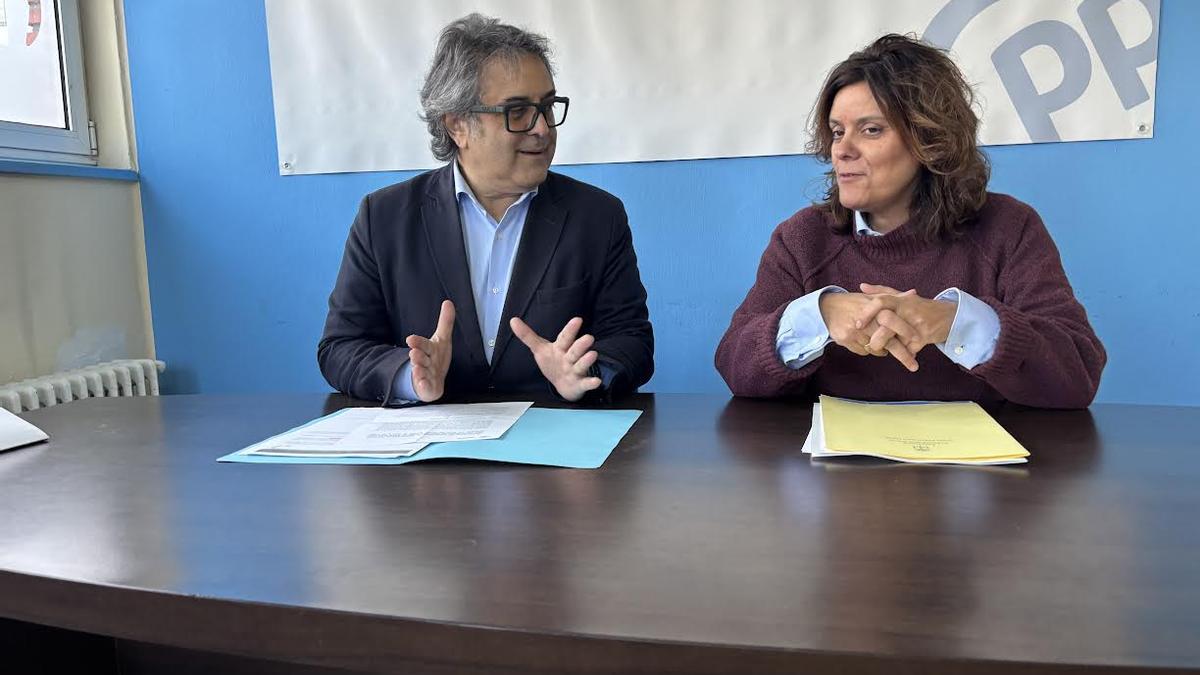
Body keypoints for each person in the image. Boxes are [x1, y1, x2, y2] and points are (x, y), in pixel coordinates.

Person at [715, 34, 1105, 408]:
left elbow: (1077, 376)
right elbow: (735, 365)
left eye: (871, 130)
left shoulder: (1009, 228)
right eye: (837, 132)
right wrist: (821, 315)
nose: (842, 151)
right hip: (836, 469)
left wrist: (954, 322)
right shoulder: (802, 238)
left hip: (979, 472)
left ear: (929, 140)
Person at [319, 14, 653, 404]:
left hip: (554, 446)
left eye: (547, 107)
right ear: (457, 125)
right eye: (518, 112)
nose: (542, 128)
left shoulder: (597, 216)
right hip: (431, 453)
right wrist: (409, 375)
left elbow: (632, 340)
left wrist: (587, 372)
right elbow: (340, 347)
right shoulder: (385, 217)